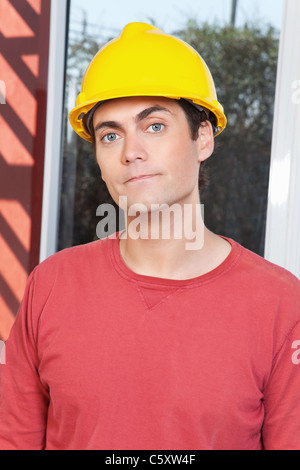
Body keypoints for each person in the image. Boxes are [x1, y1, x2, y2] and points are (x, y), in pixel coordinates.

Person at [0, 22, 300, 451]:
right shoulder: (51, 285)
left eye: (154, 126)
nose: (130, 151)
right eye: (110, 134)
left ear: (203, 138)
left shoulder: (281, 303)